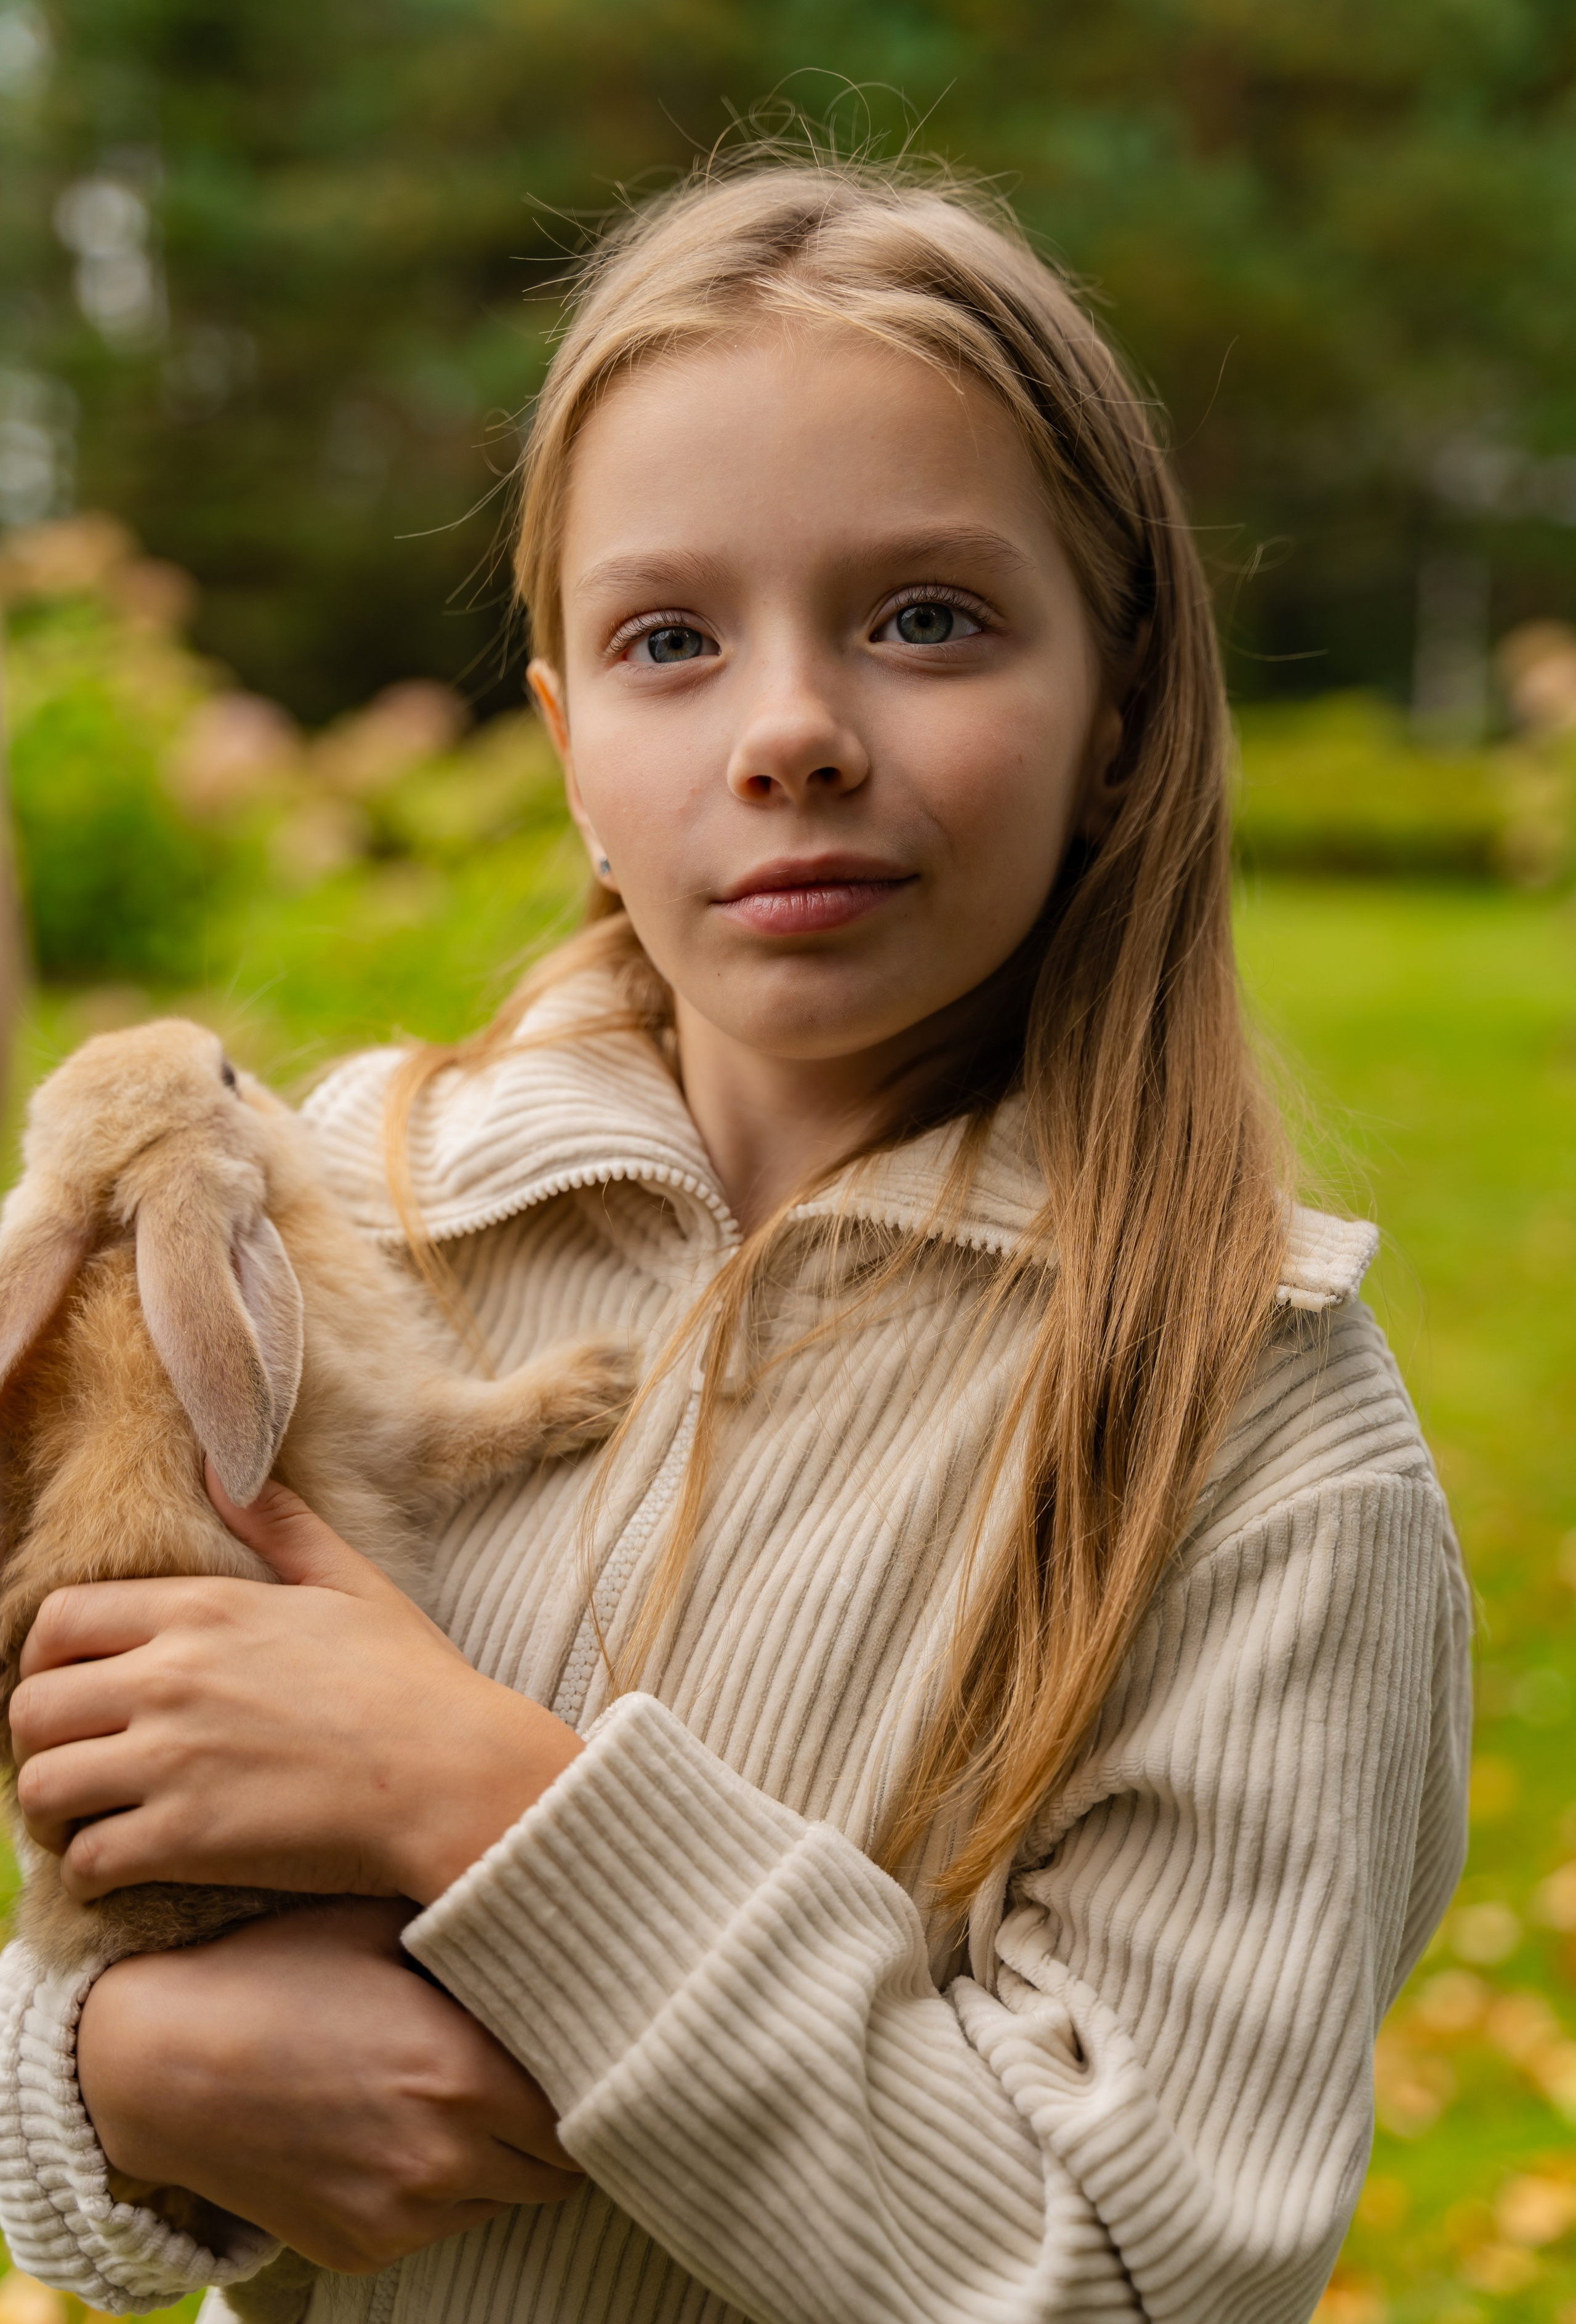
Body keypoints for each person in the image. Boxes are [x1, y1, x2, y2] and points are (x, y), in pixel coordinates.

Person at [0, 151, 1469, 2324]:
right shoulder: (326, 1207)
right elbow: (75, 1888)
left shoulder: (1255, 1445)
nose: (790, 731)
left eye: (929, 618)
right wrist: (113, 2078)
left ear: (1127, 701)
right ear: (569, 740)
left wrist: (487, 1801)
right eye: (672, 640)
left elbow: (1142, 2273)